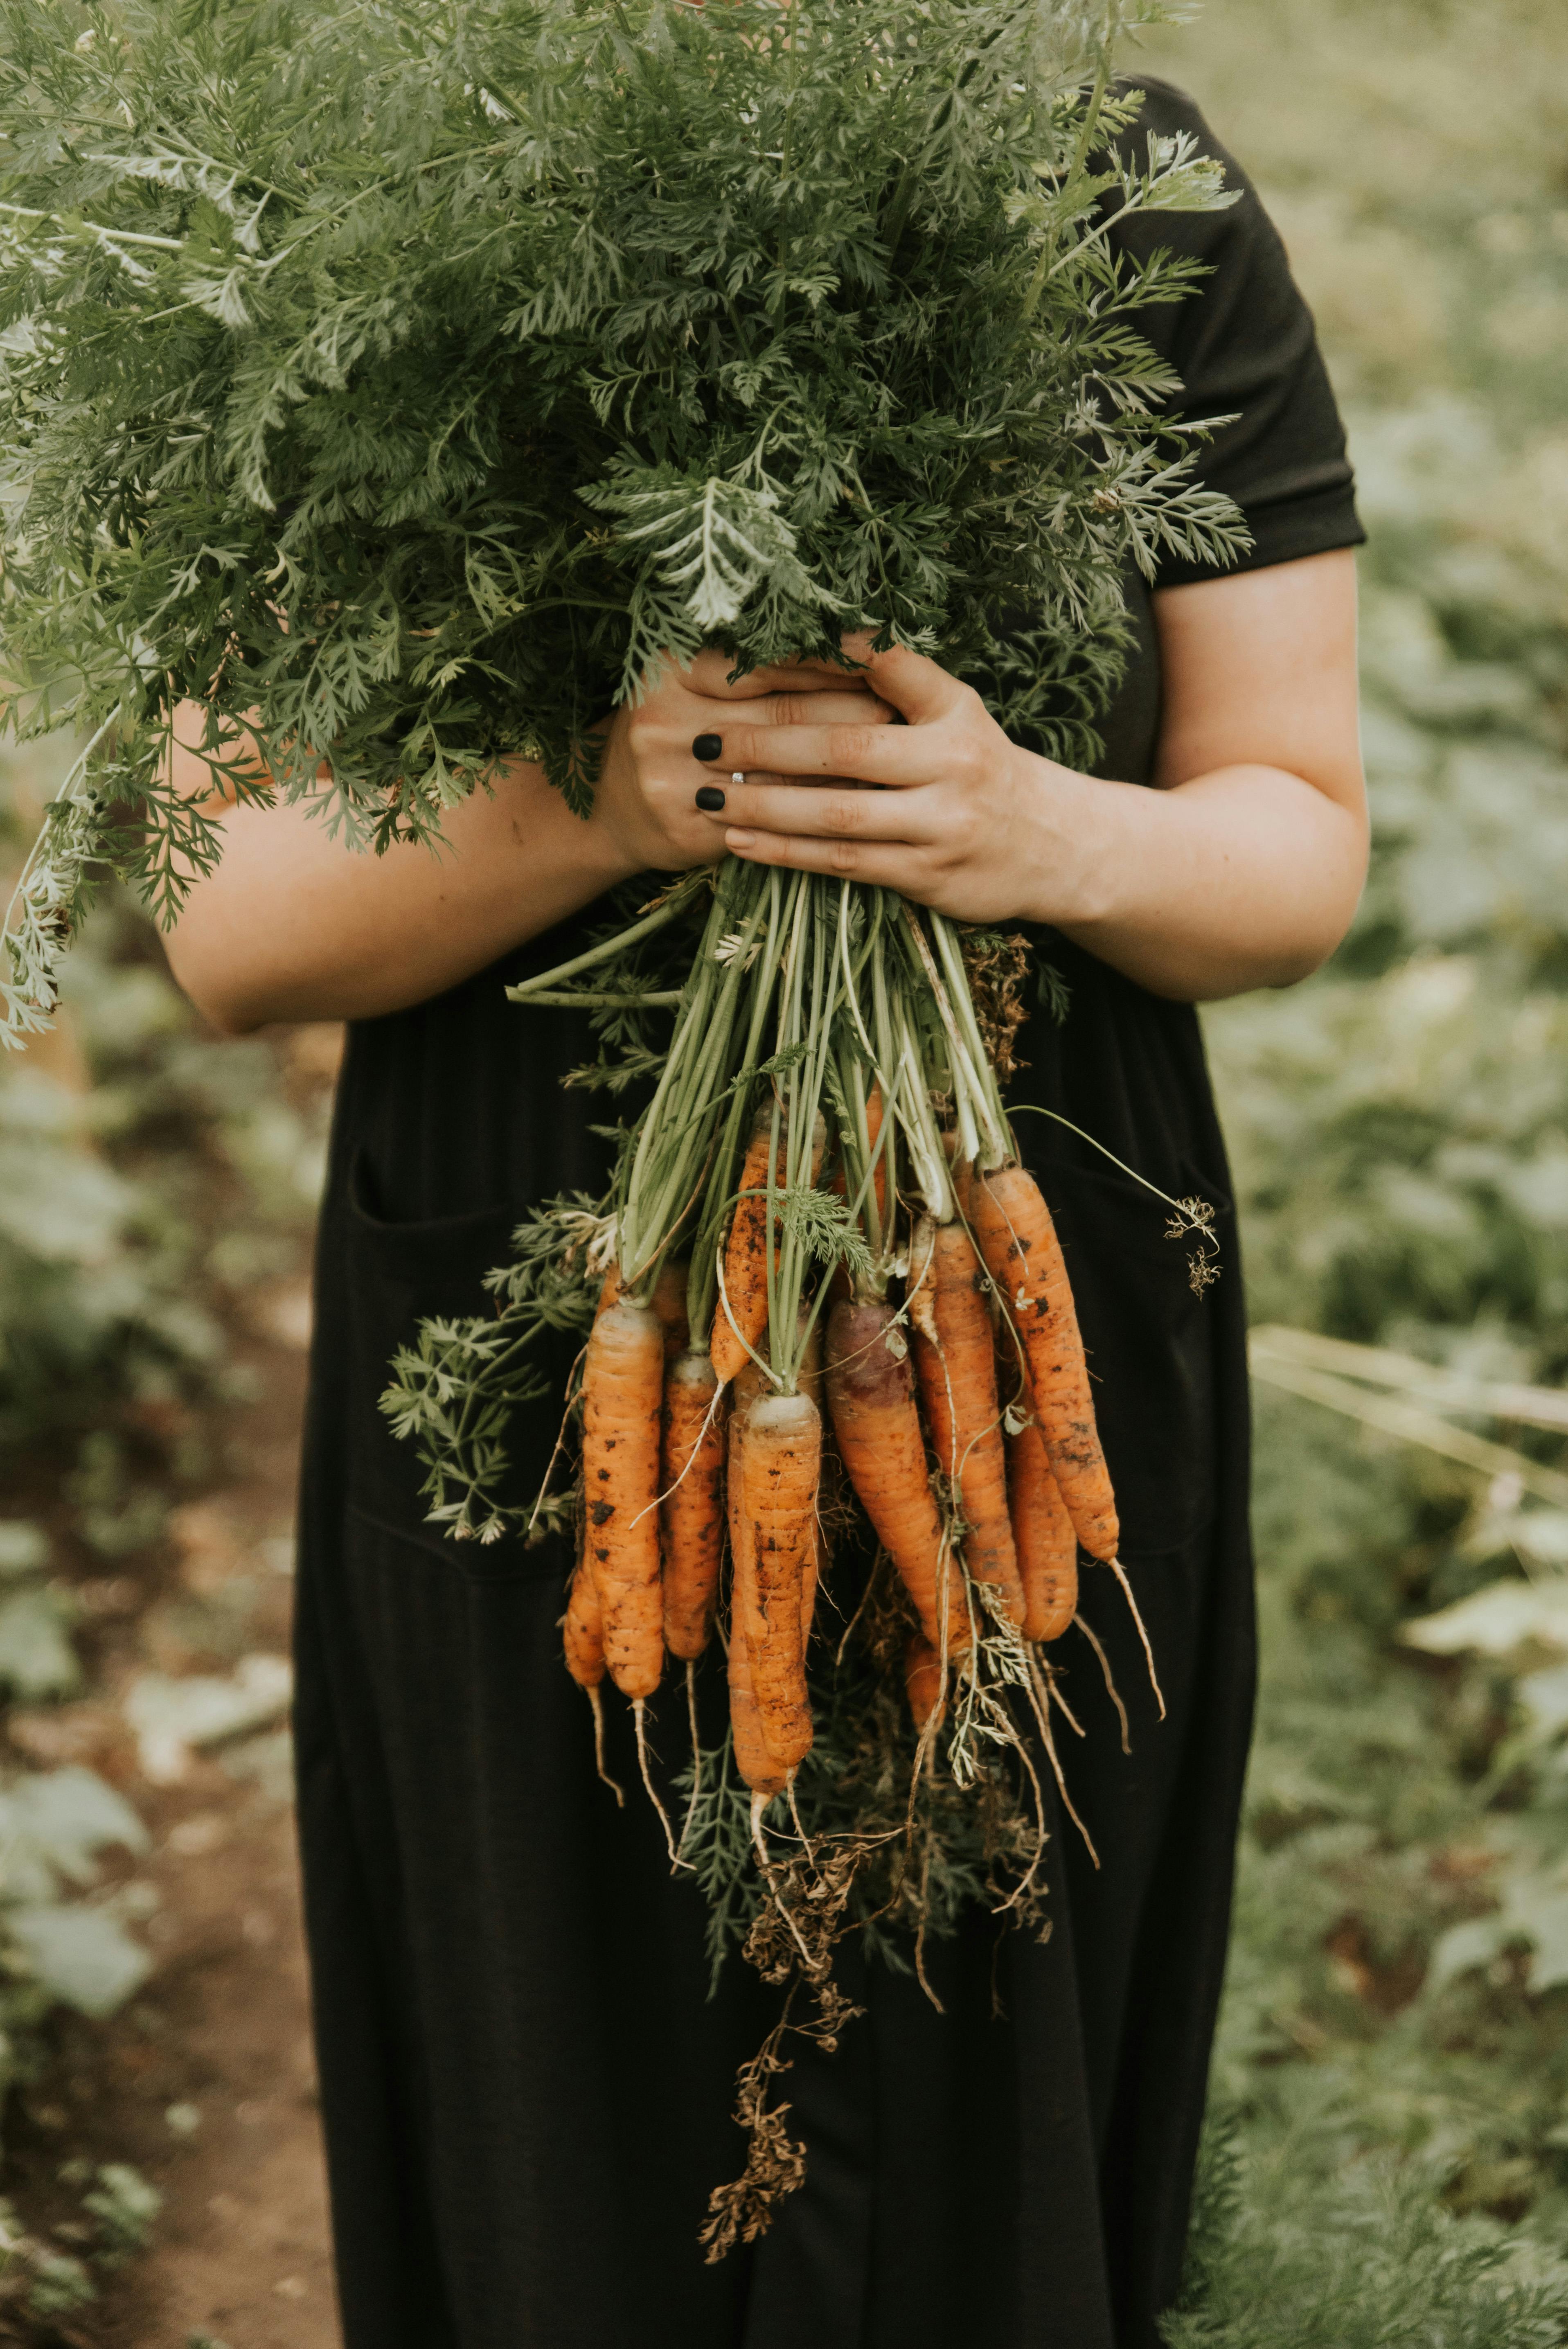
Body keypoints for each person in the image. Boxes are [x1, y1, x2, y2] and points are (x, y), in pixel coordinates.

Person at [165, 78, 1367, 2349]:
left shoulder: (1121, 190)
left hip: (1014, 1335)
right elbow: (230, 927)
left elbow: (1291, 836)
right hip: (544, 1319)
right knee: (563, 2115)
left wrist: (1032, 833)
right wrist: (604, 809)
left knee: (990, 2123)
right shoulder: (375, 203)